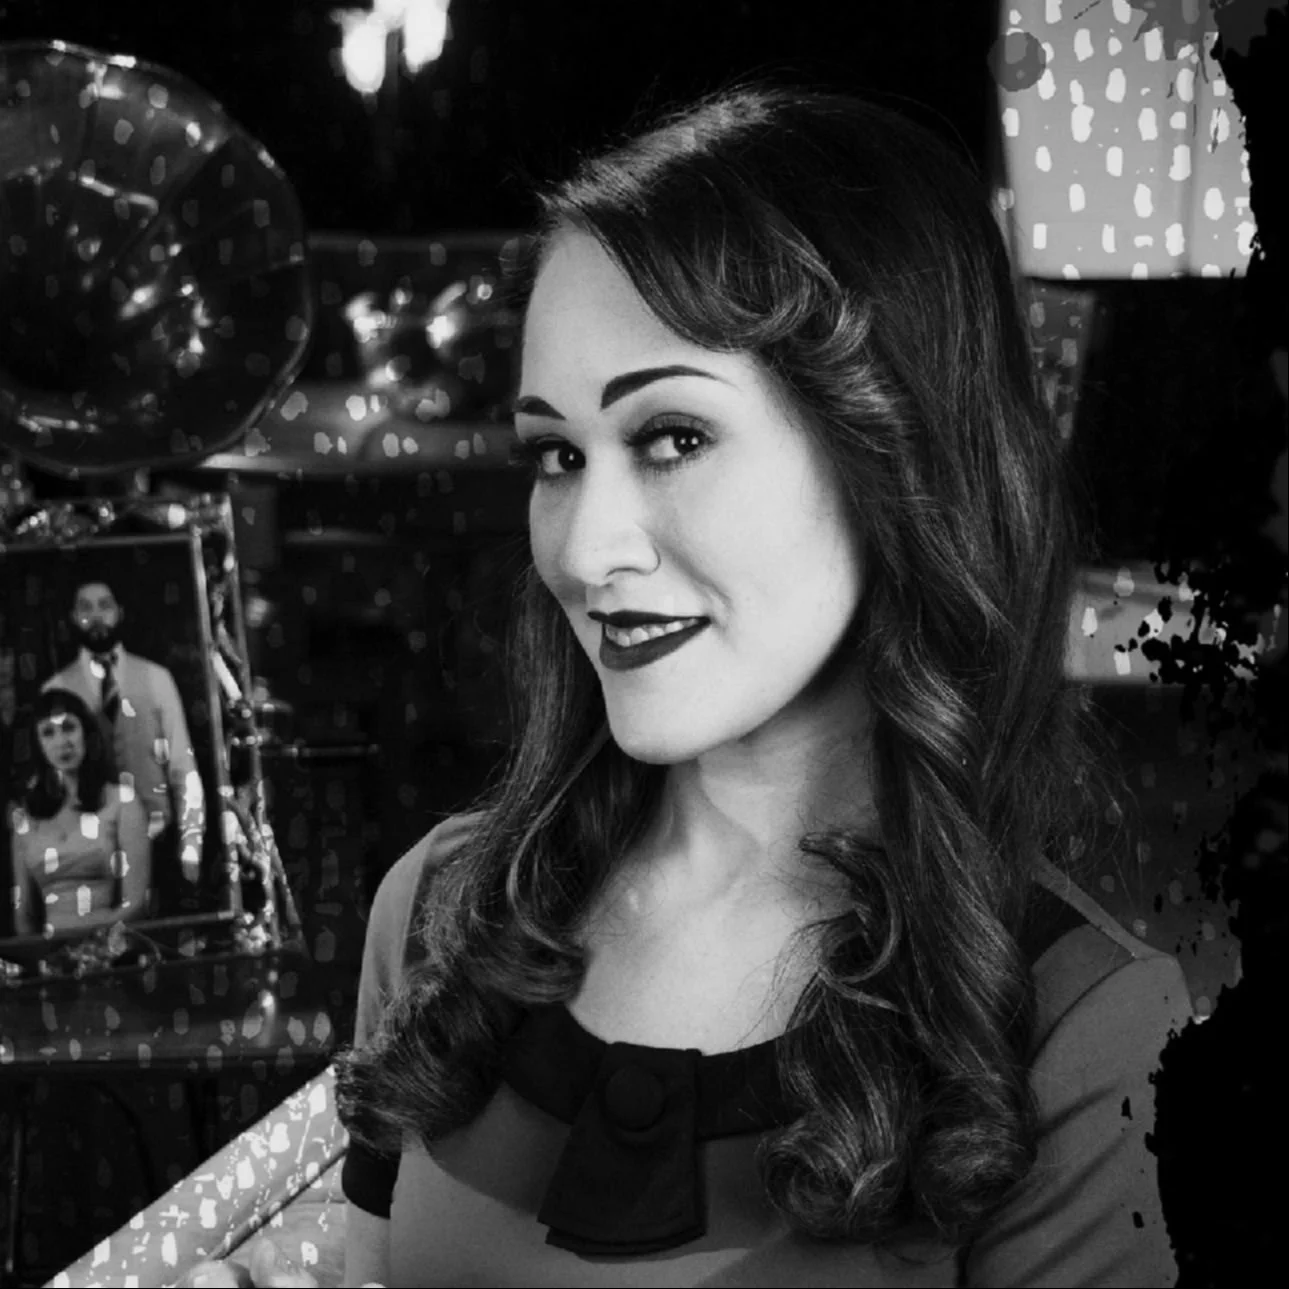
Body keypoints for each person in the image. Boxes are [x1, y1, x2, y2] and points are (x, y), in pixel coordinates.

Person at [183, 82, 1192, 1288]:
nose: (584, 548)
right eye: (556, 454)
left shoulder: (1081, 1034)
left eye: (673, 437)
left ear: (895, 451)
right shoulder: (443, 910)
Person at [43, 571, 205, 884]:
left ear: (119, 612)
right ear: (73, 617)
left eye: (104, 606)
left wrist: (191, 844)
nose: (96, 617)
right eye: (85, 608)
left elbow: (183, 767)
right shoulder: (56, 688)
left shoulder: (157, 679)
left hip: (157, 842)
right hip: (87, 856)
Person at [5, 687, 151, 936]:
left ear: (86, 732)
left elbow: (136, 903)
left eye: (69, 728)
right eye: (48, 733)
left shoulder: (121, 801)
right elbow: (23, 916)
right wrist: (43, 954)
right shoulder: (25, 818)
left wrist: (94, 945)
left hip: (108, 946)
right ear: (38, 744)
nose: (62, 742)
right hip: (50, 953)